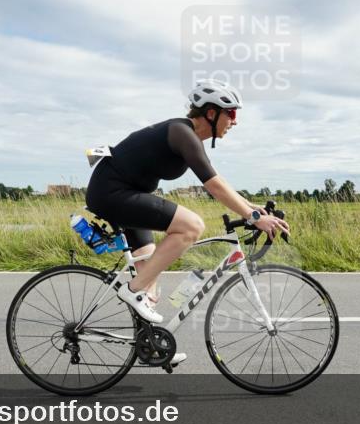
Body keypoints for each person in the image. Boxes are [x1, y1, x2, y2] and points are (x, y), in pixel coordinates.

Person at [85, 80, 291, 366]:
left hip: (125, 193)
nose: (235, 121)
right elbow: (214, 186)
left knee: (151, 282)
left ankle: (150, 346)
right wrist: (252, 217)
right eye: (231, 113)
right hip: (112, 193)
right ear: (210, 113)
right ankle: (131, 291)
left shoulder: (188, 136)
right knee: (191, 226)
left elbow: (217, 179)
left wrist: (252, 207)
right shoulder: (182, 132)